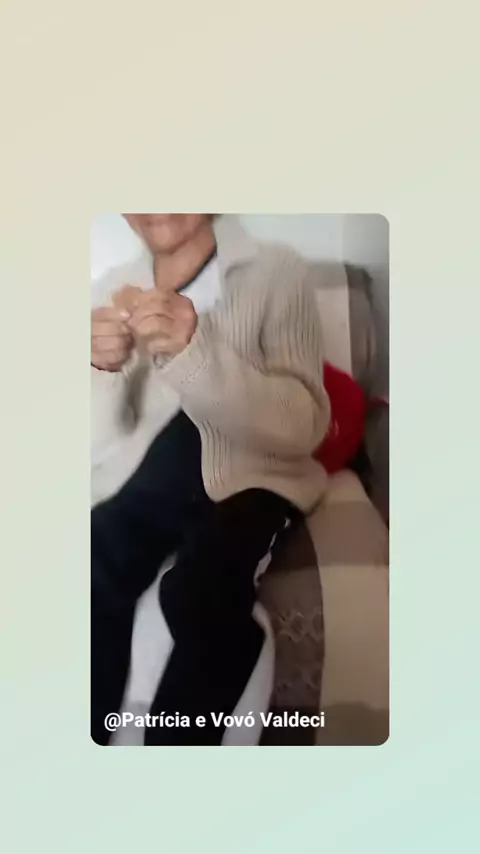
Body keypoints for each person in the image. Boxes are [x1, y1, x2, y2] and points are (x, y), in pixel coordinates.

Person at [91, 214, 330, 745]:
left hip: (256, 472)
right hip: (155, 468)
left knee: (202, 589)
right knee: (91, 558)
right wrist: (100, 372)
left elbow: (303, 427)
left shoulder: (277, 271)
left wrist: (195, 353)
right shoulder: (112, 290)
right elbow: (98, 447)